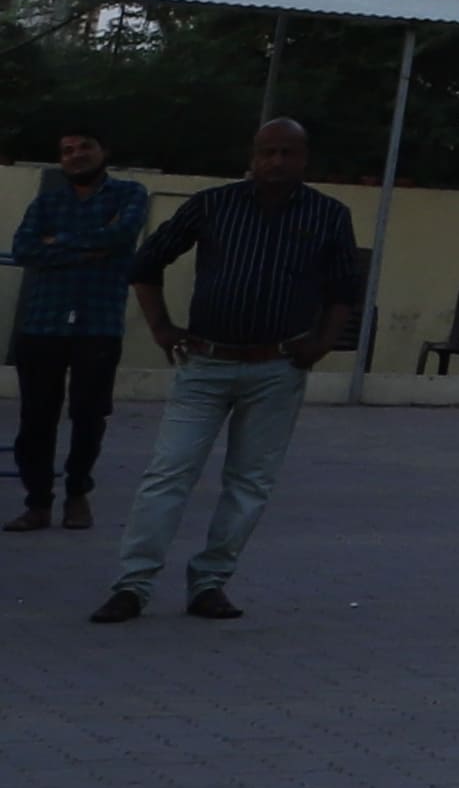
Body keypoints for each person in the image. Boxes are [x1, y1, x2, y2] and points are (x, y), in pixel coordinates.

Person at [99, 115, 366, 625]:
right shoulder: (211, 205)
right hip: (205, 364)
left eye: (288, 152)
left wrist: (322, 344)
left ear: (305, 158)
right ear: (252, 155)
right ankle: (133, 584)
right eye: (268, 151)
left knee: (249, 483)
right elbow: (146, 262)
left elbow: (344, 290)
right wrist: (161, 327)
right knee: (168, 473)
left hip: (278, 368)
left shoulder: (329, 215)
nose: (277, 161)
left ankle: (210, 582)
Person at [13, 129, 148, 531]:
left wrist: (56, 242)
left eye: (85, 147)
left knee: (89, 416)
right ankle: (37, 503)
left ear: (104, 151)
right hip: (42, 323)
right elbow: (24, 249)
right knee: (36, 419)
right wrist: (92, 248)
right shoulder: (47, 202)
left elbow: (123, 235)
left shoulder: (129, 194)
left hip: (97, 323)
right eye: (67, 150)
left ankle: (77, 495)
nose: (76, 155)